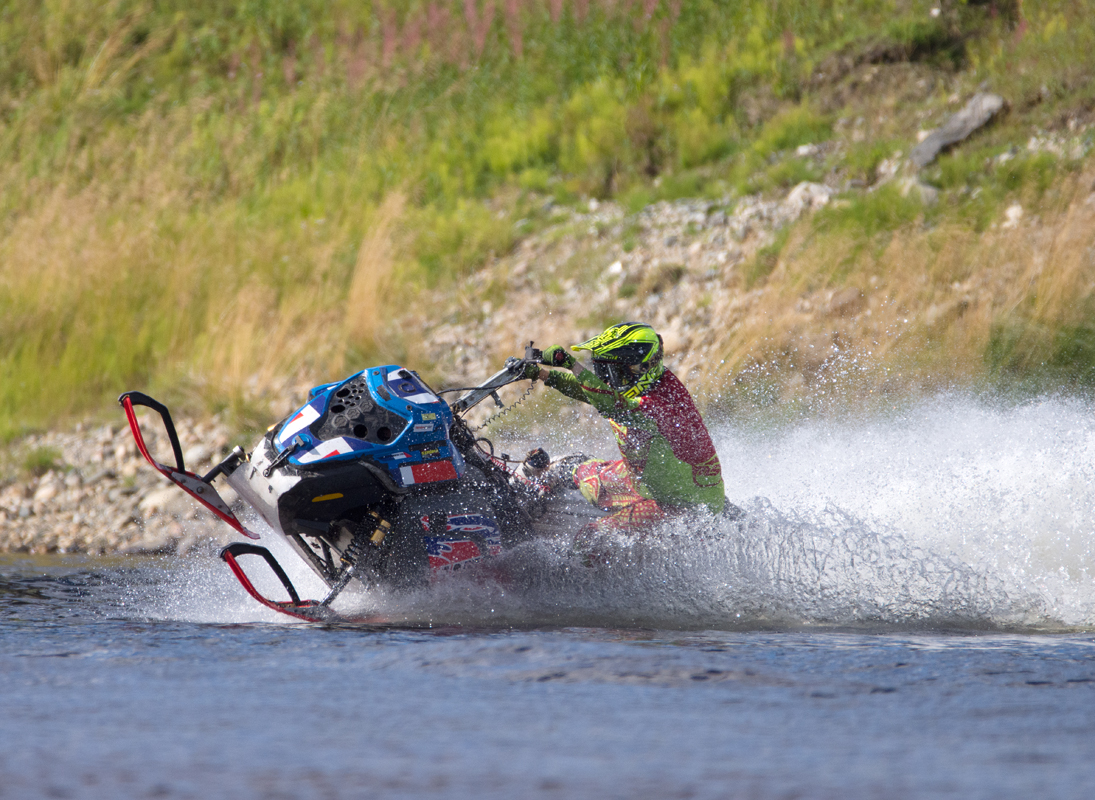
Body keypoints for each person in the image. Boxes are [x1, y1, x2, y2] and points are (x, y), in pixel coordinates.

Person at [521, 322, 733, 550]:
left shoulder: (659, 405)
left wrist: (571, 364)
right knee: (576, 470)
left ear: (639, 369)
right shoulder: (644, 385)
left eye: (613, 373)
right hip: (644, 482)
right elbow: (596, 393)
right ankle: (535, 483)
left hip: (684, 506)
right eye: (601, 371)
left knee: (589, 541)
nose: (605, 380)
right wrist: (542, 374)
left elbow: (609, 403)